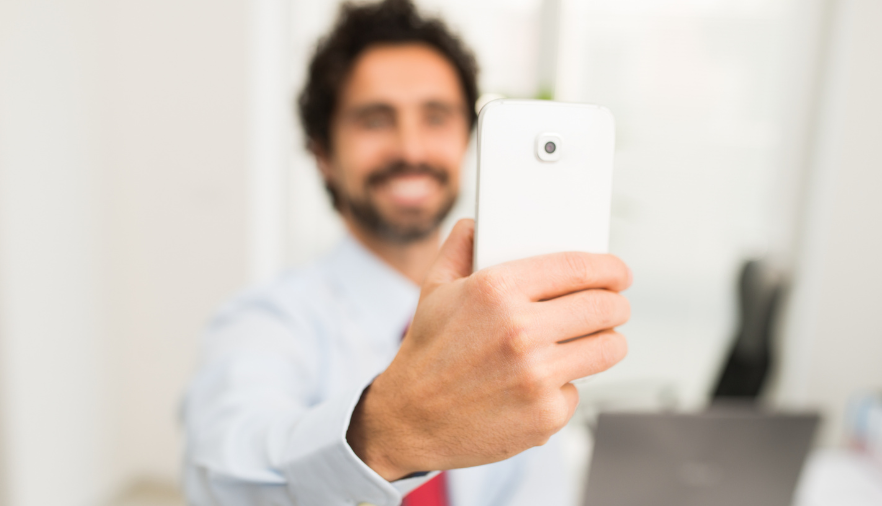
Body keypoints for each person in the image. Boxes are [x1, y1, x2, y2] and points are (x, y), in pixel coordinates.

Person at [181, 1, 631, 505]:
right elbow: (221, 476)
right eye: (375, 120)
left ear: (465, 140)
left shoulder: (514, 330)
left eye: (436, 118)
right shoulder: (265, 321)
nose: (411, 149)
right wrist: (391, 432)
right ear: (323, 153)